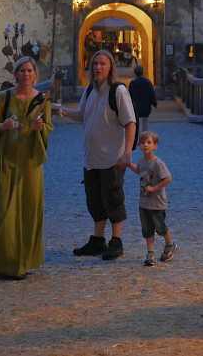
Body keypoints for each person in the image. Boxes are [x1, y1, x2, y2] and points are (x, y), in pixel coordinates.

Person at [0, 55, 52, 278]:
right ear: (15, 74)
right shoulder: (4, 97)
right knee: (4, 209)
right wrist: (4, 126)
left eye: (29, 71)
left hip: (30, 161)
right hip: (6, 159)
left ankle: (23, 261)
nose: (26, 74)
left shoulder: (42, 100)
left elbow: (48, 128)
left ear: (35, 75)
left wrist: (40, 127)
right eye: (22, 70)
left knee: (28, 208)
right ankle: (3, 262)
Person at [65, 50, 137, 261]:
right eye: (95, 64)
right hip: (91, 158)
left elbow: (130, 122)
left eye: (102, 64)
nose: (98, 67)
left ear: (110, 67)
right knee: (94, 200)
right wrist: (60, 110)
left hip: (112, 157)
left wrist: (127, 152)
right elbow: (81, 115)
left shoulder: (118, 91)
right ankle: (97, 240)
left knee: (113, 199)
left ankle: (116, 241)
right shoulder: (89, 90)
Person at [128, 130, 177, 267]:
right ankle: (150, 254)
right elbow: (139, 170)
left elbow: (168, 178)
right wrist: (129, 164)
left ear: (155, 146)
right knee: (147, 229)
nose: (145, 145)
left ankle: (170, 244)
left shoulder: (158, 163)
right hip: (143, 203)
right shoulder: (141, 161)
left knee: (160, 227)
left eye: (149, 142)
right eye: (142, 143)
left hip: (157, 203)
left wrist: (154, 188)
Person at [129, 64, 157, 144]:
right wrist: (154, 103)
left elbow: (130, 95)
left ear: (135, 73)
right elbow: (151, 93)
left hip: (136, 107)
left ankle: (138, 140)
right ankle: (144, 139)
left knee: (137, 124)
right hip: (146, 106)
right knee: (145, 124)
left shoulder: (133, 83)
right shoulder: (147, 82)